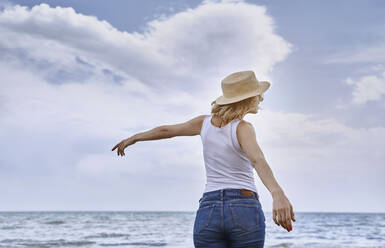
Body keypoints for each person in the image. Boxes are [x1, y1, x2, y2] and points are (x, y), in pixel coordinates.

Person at [112, 70, 296, 248]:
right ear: (247, 100)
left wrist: (135, 137)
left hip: (209, 210)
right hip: (243, 207)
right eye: (257, 95)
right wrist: (277, 194)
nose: (261, 98)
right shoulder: (243, 127)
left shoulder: (203, 123)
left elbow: (167, 131)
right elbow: (257, 160)